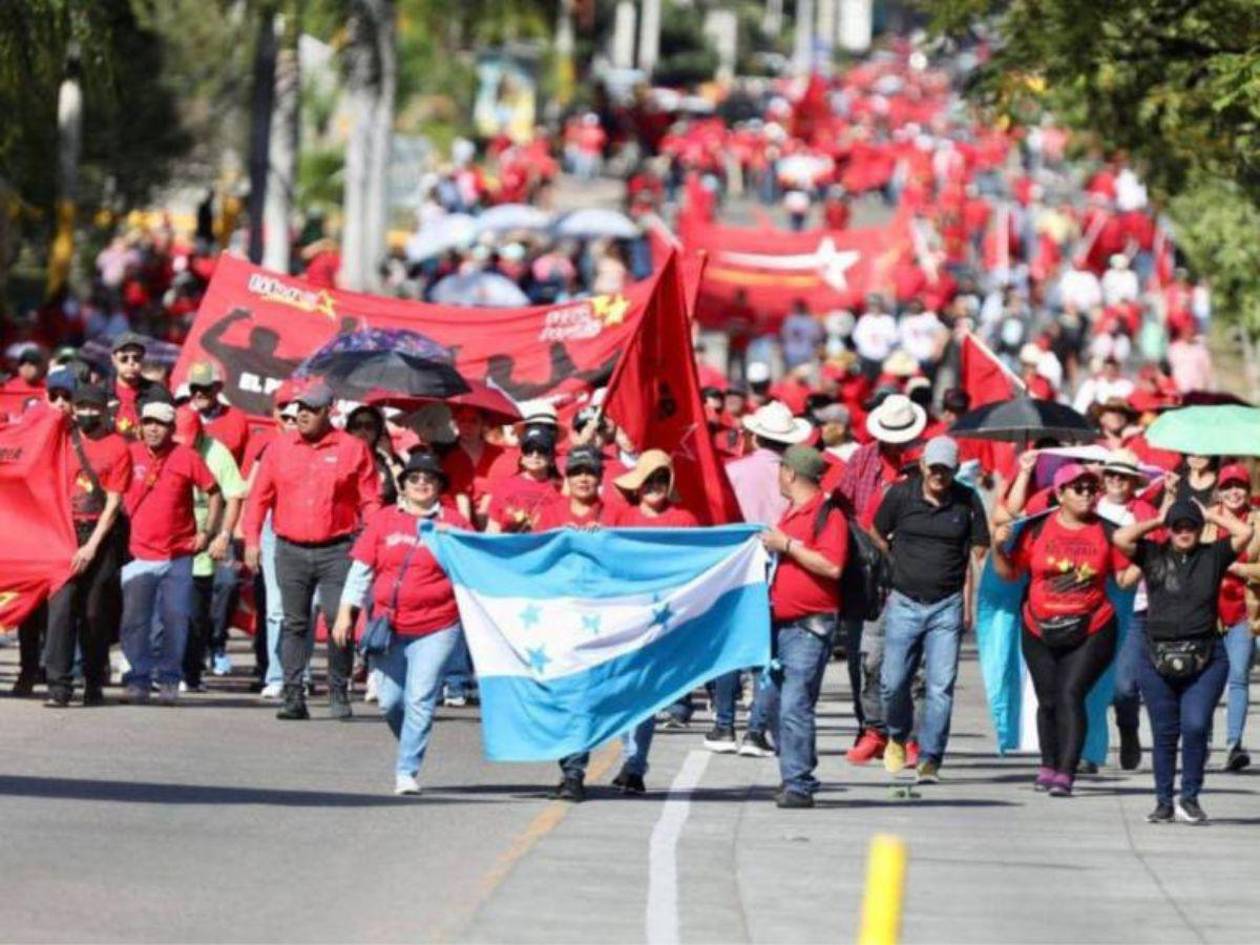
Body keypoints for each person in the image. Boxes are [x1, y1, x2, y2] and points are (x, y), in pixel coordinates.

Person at [991, 464, 1137, 797]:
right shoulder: (1036, 529)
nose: (1087, 493)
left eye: (1091, 488)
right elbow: (1010, 574)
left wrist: (1144, 556)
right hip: (1038, 626)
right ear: (1060, 494)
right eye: (1078, 488)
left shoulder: (1108, 531)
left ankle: (1066, 772)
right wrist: (999, 546)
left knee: (1071, 693)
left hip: (1093, 627)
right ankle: (1048, 764)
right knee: (1048, 698)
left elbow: (1125, 580)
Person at [332, 452, 472, 795]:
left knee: (420, 698)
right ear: (403, 486)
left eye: (429, 478)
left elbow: (476, 568)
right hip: (388, 624)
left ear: (440, 485)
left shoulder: (455, 524)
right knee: (391, 702)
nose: (421, 483)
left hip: (439, 624)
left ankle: (406, 770)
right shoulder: (383, 520)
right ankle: (410, 737)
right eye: (414, 478)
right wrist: (345, 612)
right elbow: (361, 570)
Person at [243, 381, 382, 721]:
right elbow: (259, 497)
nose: (302, 415)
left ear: (328, 411)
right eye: (298, 409)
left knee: (339, 619)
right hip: (289, 548)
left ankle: (338, 690)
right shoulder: (278, 448)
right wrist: (249, 540)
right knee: (294, 623)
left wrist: (374, 542)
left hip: (338, 549)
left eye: (311, 409)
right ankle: (293, 695)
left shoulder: (352, 449)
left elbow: (370, 501)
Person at [1112, 497, 1252, 824]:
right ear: (1170, 530)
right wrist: (1158, 519)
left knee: (1196, 725)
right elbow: (1120, 538)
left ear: (1200, 529)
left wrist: (1210, 513)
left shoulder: (1212, 556)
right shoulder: (1152, 554)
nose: (1184, 531)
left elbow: (1245, 532)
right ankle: (1163, 801)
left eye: (1190, 526)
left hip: (1205, 657)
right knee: (1164, 731)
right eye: (1178, 526)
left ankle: (1189, 797)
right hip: (1157, 654)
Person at [872, 436, 990, 782]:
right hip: (905, 601)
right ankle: (896, 734)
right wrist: (893, 560)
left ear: (955, 470)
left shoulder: (967, 500)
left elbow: (979, 549)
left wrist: (966, 598)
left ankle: (930, 756)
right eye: (934, 468)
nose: (939, 475)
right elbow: (876, 531)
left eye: (946, 470)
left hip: (946, 605)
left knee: (940, 686)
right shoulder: (900, 495)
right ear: (923, 465)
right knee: (893, 682)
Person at [837, 393, 927, 764]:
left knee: (913, 663)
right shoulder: (862, 458)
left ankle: (910, 736)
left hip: (911, 569)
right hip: (869, 572)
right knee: (867, 657)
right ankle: (871, 728)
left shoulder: (923, 465)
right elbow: (843, 504)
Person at [759, 445, 849, 808]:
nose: (778, 476)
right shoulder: (791, 512)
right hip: (780, 624)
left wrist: (788, 545)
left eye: (781, 469)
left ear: (792, 474)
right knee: (775, 704)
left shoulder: (829, 516)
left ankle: (799, 782)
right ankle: (793, 774)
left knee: (795, 703)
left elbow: (832, 566)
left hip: (810, 627)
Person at [119, 401, 223, 705]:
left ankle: (169, 679)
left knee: (175, 620)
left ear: (172, 429)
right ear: (140, 425)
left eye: (160, 423)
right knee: (135, 621)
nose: (153, 428)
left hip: (178, 554)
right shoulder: (131, 453)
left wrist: (207, 533)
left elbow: (214, 492)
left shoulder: (186, 456)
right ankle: (137, 679)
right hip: (138, 554)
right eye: (148, 422)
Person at [42, 383, 133, 707]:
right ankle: (59, 686)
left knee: (94, 613)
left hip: (99, 536)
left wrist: (91, 546)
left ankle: (93, 681)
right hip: (62, 534)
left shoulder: (117, 447)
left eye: (93, 407)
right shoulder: (62, 439)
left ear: (105, 409)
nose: (87, 413)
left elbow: (113, 503)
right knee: (61, 609)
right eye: (81, 406)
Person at [173, 409, 246, 691]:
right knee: (168, 610)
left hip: (207, 542)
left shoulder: (217, 454)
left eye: (191, 443)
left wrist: (224, 535)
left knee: (197, 612)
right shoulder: (163, 450)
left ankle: (191, 672)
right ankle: (165, 668)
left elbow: (234, 495)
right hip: (170, 541)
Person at [1096, 449, 1158, 771]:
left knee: (1123, 685)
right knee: (1088, 682)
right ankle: (1089, 748)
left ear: (1133, 481)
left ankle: (1128, 729)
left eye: (1123, 476)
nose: (1116, 481)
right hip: (1091, 605)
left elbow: (1160, 553)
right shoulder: (1089, 506)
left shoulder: (1145, 511)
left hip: (1135, 607)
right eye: (1111, 475)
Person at [1204, 464, 1260, 773]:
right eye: (1228, 487)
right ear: (1220, 491)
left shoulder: (1258, 521)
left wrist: (1240, 569)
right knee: (1206, 680)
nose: (1234, 492)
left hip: (1244, 610)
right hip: (1208, 612)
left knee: (1238, 676)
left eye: (1240, 486)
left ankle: (1234, 745)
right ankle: (1203, 742)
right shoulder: (1206, 520)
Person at [484, 425, 561, 534]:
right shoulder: (505, 486)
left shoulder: (561, 489)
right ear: (522, 457)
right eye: (529, 450)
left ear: (551, 457)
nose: (535, 455)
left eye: (542, 450)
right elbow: (492, 529)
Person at [185, 360, 251, 464]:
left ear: (219, 387)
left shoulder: (237, 419)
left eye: (204, 387)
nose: (198, 394)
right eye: (194, 388)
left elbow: (245, 462)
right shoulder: (178, 416)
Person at [109, 332, 159, 438]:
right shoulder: (101, 392)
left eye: (136, 358)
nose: (131, 363)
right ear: (113, 360)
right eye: (124, 358)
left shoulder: (157, 393)